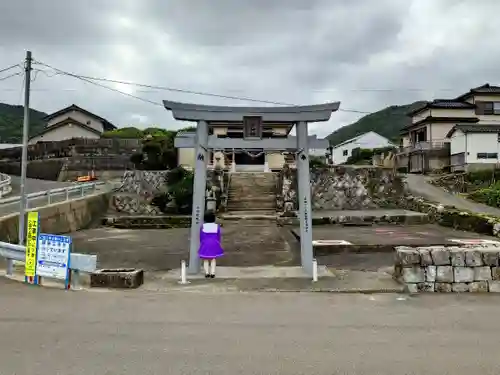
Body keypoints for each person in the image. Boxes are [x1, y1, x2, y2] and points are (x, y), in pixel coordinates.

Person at [198, 211, 224, 278]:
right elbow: (218, 236)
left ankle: (207, 273)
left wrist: (202, 243)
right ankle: (213, 273)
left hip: (205, 243)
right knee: (213, 259)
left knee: (205, 259)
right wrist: (218, 243)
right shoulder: (216, 226)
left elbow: (201, 237)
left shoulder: (203, 226)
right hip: (214, 243)